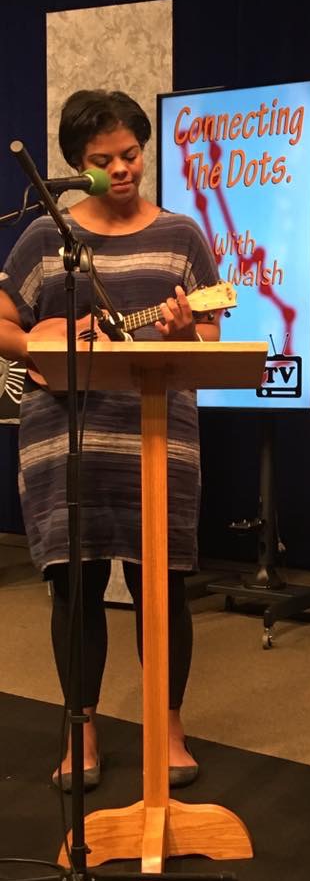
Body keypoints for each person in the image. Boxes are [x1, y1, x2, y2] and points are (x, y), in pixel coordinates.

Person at [0, 89, 222, 791]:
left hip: (157, 435)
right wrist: (43, 342)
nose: (123, 169)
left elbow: (209, 335)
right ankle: (82, 729)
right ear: (77, 166)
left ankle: (168, 725)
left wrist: (183, 332)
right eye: (105, 160)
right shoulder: (45, 237)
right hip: (67, 438)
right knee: (76, 586)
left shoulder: (183, 237)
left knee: (164, 587)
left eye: (132, 154)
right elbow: (3, 321)